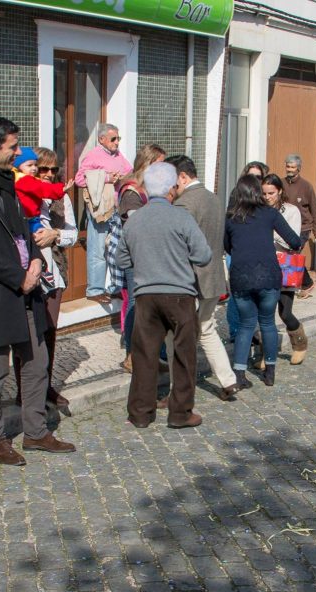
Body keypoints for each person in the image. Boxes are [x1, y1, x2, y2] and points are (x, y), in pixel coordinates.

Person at [0, 117, 75, 466]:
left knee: (37, 361)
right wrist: (18, 276)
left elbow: (25, 232)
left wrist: (35, 260)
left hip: (28, 287)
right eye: (13, 147)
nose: (19, 152)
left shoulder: (10, 180)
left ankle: (35, 432)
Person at [117, 162, 211, 429]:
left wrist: (146, 260)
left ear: (147, 190)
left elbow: (121, 259)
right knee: (184, 355)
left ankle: (140, 414)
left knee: (144, 356)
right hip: (180, 295)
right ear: (172, 189)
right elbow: (203, 255)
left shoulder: (135, 220)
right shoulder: (181, 217)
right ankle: (180, 414)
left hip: (146, 295)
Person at [167, 154, 239, 401]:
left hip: (191, 280)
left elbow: (180, 246)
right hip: (213, 276)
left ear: (182, 177)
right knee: (207, 329)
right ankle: (228, 380)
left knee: (176, 337)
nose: (171, 187)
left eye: (172, 181)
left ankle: (177, 390)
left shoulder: (184, 204)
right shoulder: (213, 198)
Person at [225, 175, 304, 388]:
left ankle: (239, 374)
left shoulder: (231, 217)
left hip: (241, 276)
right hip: (268, 275)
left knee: (245, 325)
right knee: (268, 323)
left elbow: (227, 246)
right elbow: (295, 241)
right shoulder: (270, 213)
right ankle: (269, 372)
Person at [115, 144, 166, 371]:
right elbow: (138, 225)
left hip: (152, 255)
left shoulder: (151, 188)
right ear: (148, 163)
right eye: (160, 164)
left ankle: (155, 355)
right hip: (136, 256)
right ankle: (132, 355)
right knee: (136, 304)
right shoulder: (131, 191)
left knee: (153, 305)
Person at [33, 147, 78, 409]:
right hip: (29, 273)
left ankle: (46, 386)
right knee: (30, 335)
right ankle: (26, 390)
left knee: (50, 332)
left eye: (53, 169)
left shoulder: (62, 197)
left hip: (55, 272)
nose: (49, 174)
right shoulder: (24, 195)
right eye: (43, 169)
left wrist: (56, 235)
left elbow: (72, 234)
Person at [75, 123, 132, 301]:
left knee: (116, 248)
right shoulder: (93, 155)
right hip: (100, 209)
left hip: (117, 207)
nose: (117, 142)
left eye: (118, 138)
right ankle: (95, 290)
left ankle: (115, 287)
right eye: (113, 139)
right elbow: (79, 179)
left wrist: (121, 177)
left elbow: (129, 172)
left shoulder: (118, 155)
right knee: (98, 249)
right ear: (102, 139)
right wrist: (107, 177)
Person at [263, 174, 309, 365]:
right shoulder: (260, 210)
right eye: (264, 193)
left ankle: (299, 343)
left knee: (285, 312)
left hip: (285, 266)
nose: (267, 197)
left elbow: (293, 240)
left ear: (279, 191)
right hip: (264, 265)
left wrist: (273, 232)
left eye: (271, 193)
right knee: (265, 313)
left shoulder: (291, 211)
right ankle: (266, 354)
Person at [281, 154, 316, 297]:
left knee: (294, 253)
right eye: (288, 166)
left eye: (292, 167)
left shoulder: (306, 186)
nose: (289, 170)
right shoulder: (280, 183)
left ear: (298, 168)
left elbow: (314, 208)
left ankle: (306, 283)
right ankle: (290, 282)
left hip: (303, 227)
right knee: (287, 254)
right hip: (285, 226)